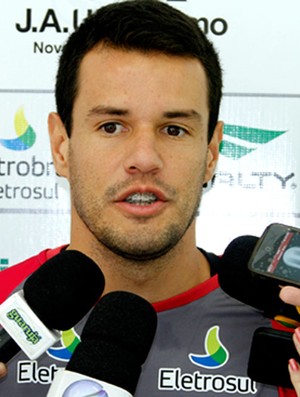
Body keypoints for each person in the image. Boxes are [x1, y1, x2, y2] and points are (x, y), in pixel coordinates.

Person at [0, 0, 297, 395]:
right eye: (111, 126)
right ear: (60, 146)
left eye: (174, 129)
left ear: (211, 153)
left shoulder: (287, 322)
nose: (144, 160)